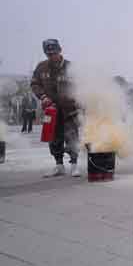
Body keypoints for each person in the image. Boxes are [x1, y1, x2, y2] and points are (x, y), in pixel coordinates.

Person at [31, 39, 81, 177]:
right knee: (53, 137)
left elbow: (81, 86)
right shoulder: (41, 67)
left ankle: (74, 165)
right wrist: (43, 97)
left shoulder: (71, 67)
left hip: (69, 110)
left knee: (72, 136)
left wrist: (78, 102)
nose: (52, 56)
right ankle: (59, 165)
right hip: (51, 110)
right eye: (49, 54)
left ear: (60, 50)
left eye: (54, 53)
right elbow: (35, 84)